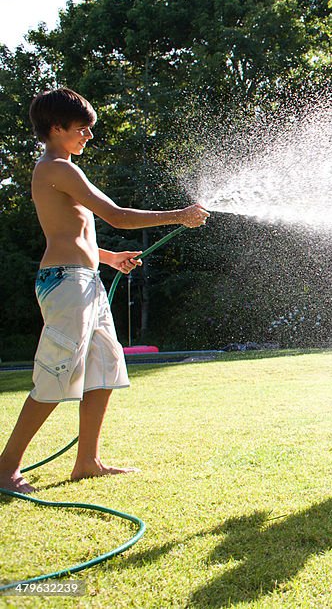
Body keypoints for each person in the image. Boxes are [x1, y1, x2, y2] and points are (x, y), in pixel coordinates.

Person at [0, 87, 209, 494]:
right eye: (82, 129)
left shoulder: (61, 169)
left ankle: (88, 462)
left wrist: (109, 258)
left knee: (102, 367)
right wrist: (179, 216)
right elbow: (114, 214)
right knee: (56, 372)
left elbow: (74, 231)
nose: (88, 137)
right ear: (56, 128)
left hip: (85, 278)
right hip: (67, 283)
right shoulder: (58, 168)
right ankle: (5, 468)